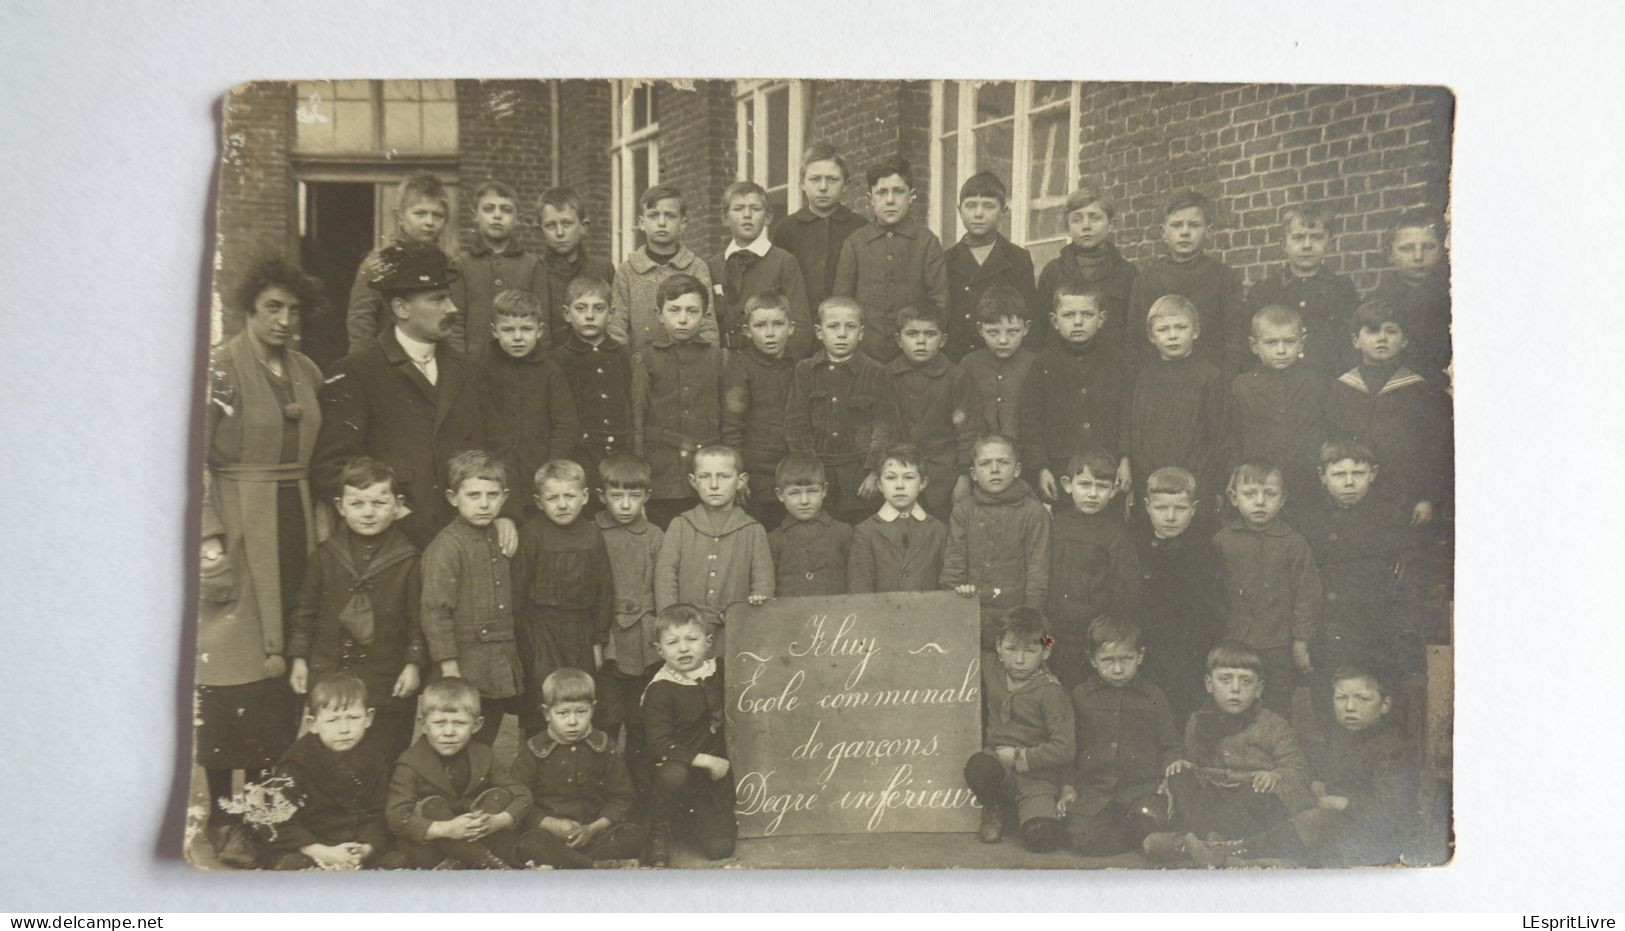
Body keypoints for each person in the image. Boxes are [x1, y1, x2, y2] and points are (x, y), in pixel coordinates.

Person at [198, 256, 324, 867]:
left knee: (284, 674)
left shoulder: (306, 370)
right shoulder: (220, 369)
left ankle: (264, 817)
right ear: (249, 309)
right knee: (231, 672)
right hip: (237, 524)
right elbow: (183, 454)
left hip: (296, 519)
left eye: (293, 310)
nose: (283, 319)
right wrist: (208, 534)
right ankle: (222, 819)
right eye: (272, 307)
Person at [314, 242, 493, 550]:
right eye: (438, 299)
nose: (452, 308)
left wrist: (505, 515)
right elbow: (332, 467)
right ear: (400, 308)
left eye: (448, 297)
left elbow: (494, 446)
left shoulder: (467, 370)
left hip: (463, 538)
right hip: (391, 543)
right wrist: (395, 512)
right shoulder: (356, 372)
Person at [286, 458, 424, 758]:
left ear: (398, 505)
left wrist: (413, 664)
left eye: (379, 502)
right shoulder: (326, 556)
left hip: (385, 675)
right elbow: (305, 610)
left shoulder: (410, 560)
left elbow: (418, 619)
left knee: (384, 748)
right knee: (330, 747)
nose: (368, 512)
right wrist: (298, 658)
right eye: (357, 503)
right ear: (341, 507)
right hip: (330, 668)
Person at [1142, 642, 1315, 866]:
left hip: (1252, 800)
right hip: (1213, 803)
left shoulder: (1274, 725)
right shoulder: (1198, 722)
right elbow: (1196, 767)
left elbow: (1297, 771)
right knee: (1179, 775)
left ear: (1259, 689)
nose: (1235, 689)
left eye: (1245, 681)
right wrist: (1184, 767)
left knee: (1260, 797)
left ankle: (1201, 847)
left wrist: (1276, 776)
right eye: (1225, 680)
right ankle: (1214, 843)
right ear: (1209, 684)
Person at [1295, 441, 1428, 694]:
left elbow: (1404, 585)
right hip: (1328, 629)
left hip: (1376, 632)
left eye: (1358, 474)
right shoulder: (1310, 522)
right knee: (1330, 696)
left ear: (1373, 475)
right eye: (1338, 475)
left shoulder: (1390, 520)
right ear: (1323, 478)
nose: (1349, 483)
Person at [419, 451, 525, 747]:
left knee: (485, 734)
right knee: (457, 736)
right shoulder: (447, 547)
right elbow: (435, 610)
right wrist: (448, 664)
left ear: (504, 498)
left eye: (492, 495)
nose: (483, 503)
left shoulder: (500, 536)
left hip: (498, 659)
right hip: (463, 661)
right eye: (473, 495)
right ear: (453, 498)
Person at [252, 673, 405, 870]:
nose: (344, 729)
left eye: (353, 717)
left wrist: (366, 847)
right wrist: (322, 851)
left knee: (399, 860)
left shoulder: (375, 755)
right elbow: (278, 822)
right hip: (312, 845)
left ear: (368, 718)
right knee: (292, 864)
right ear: (313, 723)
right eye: (333, 720)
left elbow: (380, 810)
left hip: (356, 845)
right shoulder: (295, 762)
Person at [1324, 300, 1454, 527]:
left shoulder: (1421, 391)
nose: (1382, 338)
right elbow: (1332, 441)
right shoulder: (1341, 388)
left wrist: (1426, 497)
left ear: (1404, 340)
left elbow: (1434, 451)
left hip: (1404, 493)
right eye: (1372, 331)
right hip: (1354, 489)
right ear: (1356, 341)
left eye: (1391, 331)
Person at [1058, 617, 1181, 856]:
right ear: (1093, 660)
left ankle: (1138, 831)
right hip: (1094, 791)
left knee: (1153, 820)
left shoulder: (1153, 695)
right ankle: (1129, 835)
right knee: (1085, 841)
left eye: (1126, 659)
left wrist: (1168, 778)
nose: (1117, 669)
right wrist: (1067, 785)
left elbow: (1171, 745)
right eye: (1108, 660)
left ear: (1140, 656)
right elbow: (1067, 747)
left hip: (1140, 788)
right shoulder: (1081, 695)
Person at [511, 460, 614, 740]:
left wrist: (598, 641)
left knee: (579, 695)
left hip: (580, 630)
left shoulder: (593, 535)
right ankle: (535, 759)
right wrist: (524, 643)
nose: (562, 504)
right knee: (542, 696)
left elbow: (604, 591)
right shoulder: (531, 534)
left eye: (569, 496)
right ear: (538, 501)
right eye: (552, 498)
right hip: (540, 631)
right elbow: (517, 594)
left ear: (584, 496)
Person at [1212, 461, 1322, 716]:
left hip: (1277, 645)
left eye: (1270, 494)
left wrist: (1300, 642)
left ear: (1282, 499)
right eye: (1250, 494)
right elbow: (1212, 595)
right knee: (1232, 705)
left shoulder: (1294, 544)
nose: (1260, 502)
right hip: (1233, 642)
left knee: (1276, 707)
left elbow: (1307, 596)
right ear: (1233, 497)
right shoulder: (1221, 542)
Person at [385, 677, 531, 869]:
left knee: (500, 795)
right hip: (435, 844)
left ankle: (462, 862)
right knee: (432, 806)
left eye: (459, 723)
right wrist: (446, 829)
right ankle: (487, 864)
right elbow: (396, 815)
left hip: (477, 835)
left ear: (477, 725)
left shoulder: (484, 754)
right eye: (439, 723)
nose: (449, 732)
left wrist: (497, 821)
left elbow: (522, 794)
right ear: (423, 723)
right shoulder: (410, 762)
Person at [963, 607, 1075, 852]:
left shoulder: (1051, 692)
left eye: (1031, 651)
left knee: (1042, 840)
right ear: (999, 646)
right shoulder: (992, 667)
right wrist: (961, 596)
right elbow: (961, 638)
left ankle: (1030, 815)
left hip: (1037, 779)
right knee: (978, 767)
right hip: (999, 768)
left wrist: (1019, 757)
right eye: (1012, 649)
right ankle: (994, 809)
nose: (1020, 660)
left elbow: (1065, 748)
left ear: (1046, 650)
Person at [512, 668, 646, 869]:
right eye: (563, 713)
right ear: (546, 713)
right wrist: (551, 825)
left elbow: (622, 797)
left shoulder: (604, 746)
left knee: (634, 835)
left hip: (595, 834)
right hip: (551, 836)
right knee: (529, 843)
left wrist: (593, 828)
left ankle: (572, 867)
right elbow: (519, 800)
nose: (573, 722)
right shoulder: (534, 750)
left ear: (592, 709)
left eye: (581, 712)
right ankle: (594, 867)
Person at [783, 296, 898, 525]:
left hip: (859, 475)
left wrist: (874, 472)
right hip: (819, 472)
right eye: (833, 327)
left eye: (850, 327)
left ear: (861, 333)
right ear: (818, 331)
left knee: (860, 533)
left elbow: (885, 425)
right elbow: (796, 423)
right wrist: (810, 473)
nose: (842, 334)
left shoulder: (876, 371)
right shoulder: (805, 370)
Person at [653, 445, 773, 659]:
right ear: (693, 481)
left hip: (734, 632)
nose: (714, 485)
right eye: (705, 477)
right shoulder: (680, 525)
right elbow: (665, 575)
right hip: (686, 632)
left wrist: (756, 603)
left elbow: (763, 582)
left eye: (724, 476)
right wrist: (671, 622)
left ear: (740, 481)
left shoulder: (753, 530)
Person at [1018, 283, 1130, 505]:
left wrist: (1125, 459)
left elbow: (1128, 415)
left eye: (1087, 314)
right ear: (1054, 320)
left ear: (1101, 318)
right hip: (1062, 468)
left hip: (1108, 467)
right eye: (1068, 315)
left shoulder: (1118, 362)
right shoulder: (1042, 363)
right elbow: (1030, 420)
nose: (1078, 322)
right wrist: (1040, 468)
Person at [1132, 466, 1228, 724]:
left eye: (1180, 509)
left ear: (1194, 509)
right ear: (1147, 506)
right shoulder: (1136, 548)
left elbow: (1214, 608)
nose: (1171, 517)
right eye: (1162, 508)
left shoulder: (1205, 552)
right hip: (1148, 646)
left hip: (1190, 651)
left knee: (1185, 710)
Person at [642, 604, 736, 866]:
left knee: (720, 849)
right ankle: (661, 826)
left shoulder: (719, 671)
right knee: (673, 774)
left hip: (714, 774)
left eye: (692, 640)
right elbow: (659, 745)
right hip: (679, 767)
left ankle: (698, 823)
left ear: (708, 643)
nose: (683, 649)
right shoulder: (660, 689)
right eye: (672, 642)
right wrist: (706, 760)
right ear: (659, 650)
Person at [1123, 294, 1228, 527]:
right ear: (1151, 336)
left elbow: (1217, 435)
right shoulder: (1144, 376)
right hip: (1150, 480)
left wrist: (1205, 480)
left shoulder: (1209, 376)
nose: (1172, 336)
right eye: (1163, 329)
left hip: (1194, 482)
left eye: (1181, 327)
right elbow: (1136, 429)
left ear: (1196, 331)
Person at [632, 273, 727, 529]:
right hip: (661, 475)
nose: (683, 319)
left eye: (692, 311)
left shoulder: (717, 359)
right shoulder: (646, 359)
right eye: (674, 310)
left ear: (705, 315)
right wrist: (640, 478)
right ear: (660, 314)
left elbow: (728, 419)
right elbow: (637, 420)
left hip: (706, 475)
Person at [593, 453, 665, 784]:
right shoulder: (592, 532)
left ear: (647, 497)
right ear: (601, 496)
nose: (625, 505)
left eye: (634, 497)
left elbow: (663, 585)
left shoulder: (654, 536)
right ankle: (604, 790)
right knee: (606, 719)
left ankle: (640, 801)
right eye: (616, 496)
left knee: (640, 724)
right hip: (607, 640)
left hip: (644, 639)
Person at [832, 156, 948, 362]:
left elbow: (939, 303)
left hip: (914, 359)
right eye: (882, 192)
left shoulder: (926, 242)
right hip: (865, 358)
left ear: (911, 196)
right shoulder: (855, 243)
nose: (890, 200)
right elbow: (843, 305)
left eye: (898, 191)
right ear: (870, 198)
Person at [477, 289, 579, 520]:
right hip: (495, 479)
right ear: (494, 331)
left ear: (540, 331)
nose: (517, 337)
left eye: (526, 329)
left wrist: (550, 471)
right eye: (508, 330)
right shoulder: (482, 371)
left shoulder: (551, 372)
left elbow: (565, 424)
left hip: (539, 476)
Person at [942, 434, 1051, 649]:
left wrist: (1028, 619)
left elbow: (1038, 571)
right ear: (973, 473)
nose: (994, 470)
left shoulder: (1033, 512)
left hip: (1016, 618)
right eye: (985, 464)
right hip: (971, 614)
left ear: (1017, 469)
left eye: (1003, 462)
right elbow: (954, 565)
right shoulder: (964, 510)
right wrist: (954, 599)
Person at [1045, 449, 1141, 691]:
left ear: (1114, 490)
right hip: (1056, 631)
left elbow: (1125, 589)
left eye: (1101, 486)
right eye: (1084, 484)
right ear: (1068, 485)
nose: (1092, 493)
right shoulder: (1056, 525)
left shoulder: (1117, 534)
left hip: (1094, 636)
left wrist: (1108, 632)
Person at [1125, 190, 1245, 374]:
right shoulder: (1145, 281)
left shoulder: (1225, 278)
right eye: (1176, 225)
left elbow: (1234, 340)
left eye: (1194, 225)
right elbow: (1135, 342)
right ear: (1163, 232)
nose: (1184, 232)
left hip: (1210, 382)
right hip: (1159, 381)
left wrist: (1223, 382)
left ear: (1208, 231)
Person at [1227, 304, 1329, 513]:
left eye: (1289, 342)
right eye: (1271, 342)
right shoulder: (1242, 386)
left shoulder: (1316, 382)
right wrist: (1233, 472)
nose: (1281, 350)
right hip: (1259, 484)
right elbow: (1233, 436)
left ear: (1301, 344)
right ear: (1254, 346)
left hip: (1305, 479)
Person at [886, 302, 982, 518]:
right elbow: (881, 427)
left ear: (943, 340)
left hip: (943, 478)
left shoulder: (957, 377)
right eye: (912, 334)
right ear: (899, 340)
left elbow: (968, 433)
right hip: (898, 477)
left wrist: (963, 477)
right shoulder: (886, 375)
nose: (921, 341)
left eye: (930, 334)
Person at [1242, 204, 1359, 376]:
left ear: (1330, 244)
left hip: (1329, 386)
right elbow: (1247, 350)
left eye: (1316, 237)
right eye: (1298, 237)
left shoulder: (1342, 289)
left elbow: (1352, 348)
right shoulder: (1264, 291)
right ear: (1284, 244)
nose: (1307, 245)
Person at [346, 174, 452, 354]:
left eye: (437, 215)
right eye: (420, 213)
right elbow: (361, 320)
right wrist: (365, 368)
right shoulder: (380, 263)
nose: (429, 222)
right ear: (400, 216)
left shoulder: (448, 263)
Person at [720, 291, 800, 529]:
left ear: (792, 327)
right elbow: (732, 425)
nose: (770, 333)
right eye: (760, 325)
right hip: (755, 472)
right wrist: (739, 473)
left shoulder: (800, 367)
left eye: (778, 324)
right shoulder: (740, 367)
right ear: (747, 331)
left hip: (790, 469)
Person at [609, 184, 717, 360]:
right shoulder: (627, 270)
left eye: (670, 216)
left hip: (689, 368)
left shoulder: (696, 267)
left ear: (683, 223)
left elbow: (707, 325)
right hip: (641, 368)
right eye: (653, 215)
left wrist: (707, 366)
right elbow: (617, 328)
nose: (661, 222)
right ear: (642, 223)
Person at [707, 180, 813, 356]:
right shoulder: (714, 265)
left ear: (767, 218)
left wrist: (783, 364)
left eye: (755, 209)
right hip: (726, 366)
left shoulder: (783, 261)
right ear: (725, 218)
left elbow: (801, 325)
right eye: (738, 209)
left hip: (771, 365)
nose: (747, 215)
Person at [548, 276, 633, 494]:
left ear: (611, 313)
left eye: (598, 308)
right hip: (580, 456)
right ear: (567, 314)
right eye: (581, 308)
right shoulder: (558, 360)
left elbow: (631, 405)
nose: (589, 316)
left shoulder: (624, 356)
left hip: (619, 454)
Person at [943, 172, 1038, 360]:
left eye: (988, 206)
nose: (978, 214)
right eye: (970, 206)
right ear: (959, 210)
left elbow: (1030, 314)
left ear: (1004, 211)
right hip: (958, 359)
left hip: (1005, 358)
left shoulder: (1018, 258)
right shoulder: (946, 260)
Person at [449, 179, 546, 361]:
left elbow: (542, 320)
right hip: (475, 365)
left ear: (518, 218)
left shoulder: (532, 265)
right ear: (475, 215)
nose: (497, 216)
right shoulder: (461, 265)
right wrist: (459, 365)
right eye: (489, 209)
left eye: (506, 210)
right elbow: (455, 323)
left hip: (522, 365)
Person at [1035, 184, 1138, 354]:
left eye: (1095, 218)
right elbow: (1039, 331)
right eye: (1077, 219)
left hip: (1112, 367)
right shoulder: (1053, 272)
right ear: (1067, 227)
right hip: (1061, 368)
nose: (1086, 226)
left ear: (1110, 224)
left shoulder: (1127, 273)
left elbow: (1134, 331)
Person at [769, 142, 866, 316]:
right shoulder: (786, 229)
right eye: (815, 179)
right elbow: (777, 285)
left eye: (832, 179)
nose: (823, 187)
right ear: (802, 184)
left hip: (846, 326)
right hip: (799, 324)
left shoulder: (860, 227)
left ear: (846, 184)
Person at [847, 444, 950, 594]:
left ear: (922, 483)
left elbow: (947, 587)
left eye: (908, 477)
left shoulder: (939, 530)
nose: (900, 485)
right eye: (890, 478)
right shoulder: (865, 532)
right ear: (879, 484)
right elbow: (860, 591)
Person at [1365, 208, 1451, 384]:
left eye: (1428, 247)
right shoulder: (1374, 304)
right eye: (1407, 248)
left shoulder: (1453, 297)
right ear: (1390, 254)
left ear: (1442, 250)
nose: (1418, 256)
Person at [535, 187, 616, 349]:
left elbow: (614, 319)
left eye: (567, 223)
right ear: (540, 230)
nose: (559, 232)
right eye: (551, 225)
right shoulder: (535, 270)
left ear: (583, 226)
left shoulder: (602, 268)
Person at [957, 284, 1036, 442]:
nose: (1003, 340)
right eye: (993, 332)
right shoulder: (969, 364)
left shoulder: (1035, 364)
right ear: (980, 329)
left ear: (1026, 328)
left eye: (1012, 331)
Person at [767, 453, 853, 597]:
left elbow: (855, 581)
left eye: (812, 491)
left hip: (835, 615)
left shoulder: (843, 532)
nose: (804, 501)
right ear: (780, 494)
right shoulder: (773, 539)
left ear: (824, 490)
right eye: (794, 493)